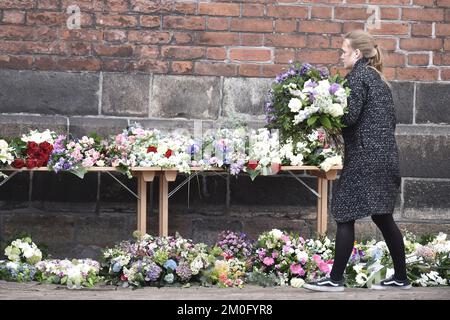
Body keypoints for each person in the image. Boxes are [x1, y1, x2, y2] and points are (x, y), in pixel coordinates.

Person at [303, 30, 410, 292]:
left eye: (344, 51)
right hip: (384, 156)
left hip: (365, 157)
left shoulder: (358, 77)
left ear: (357, 53)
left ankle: (335, 279)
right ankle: (401, 278)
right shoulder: (378, 79)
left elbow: (349, 117)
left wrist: (322, 112)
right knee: (383, 216)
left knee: (344, 213)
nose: (341, 55)